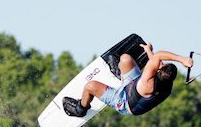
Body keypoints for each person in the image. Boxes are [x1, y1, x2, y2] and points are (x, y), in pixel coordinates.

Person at [62, 43, 194, 118]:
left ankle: (81, 108)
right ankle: (120, 74)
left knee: (90, 86)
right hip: (132, 86)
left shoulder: (148, 83)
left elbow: (158, 56)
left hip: (125, 103)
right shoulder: (167, 82)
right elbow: (157, 61)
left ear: (159, 71)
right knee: (125, 59)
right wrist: (148, 51)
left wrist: (182, 60)